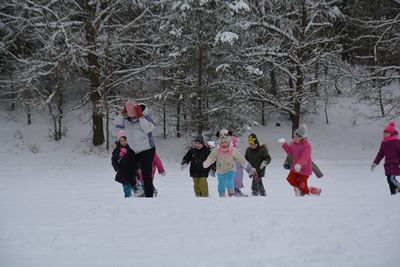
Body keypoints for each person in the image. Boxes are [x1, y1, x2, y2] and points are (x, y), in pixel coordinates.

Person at [114, 101, 156, 197]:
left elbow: (148, 129)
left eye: (133, 115)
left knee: (146, 173)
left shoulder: (145, 118)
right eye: (131, 115)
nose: (132, 118)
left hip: (147, 149)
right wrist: (122, 114)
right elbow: (117, 126)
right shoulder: (126, 119)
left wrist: (140, 117)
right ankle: (136, 187)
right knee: (126, 168)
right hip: (133, 149)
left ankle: (149, 195)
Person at [203, 131, 257, 197]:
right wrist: (207, 163)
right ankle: (221, 194)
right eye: (222, 142)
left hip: (230, 168)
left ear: (229, 142)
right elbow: (211, 157)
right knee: (221, 183)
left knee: (230, 180)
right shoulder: (217, 150)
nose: (224, 144)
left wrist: (250, 169)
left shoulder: (233, 150)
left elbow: (242, 159)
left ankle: (231, 192)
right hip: (220, 170)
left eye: (225, 142)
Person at [279, 124, 321, 196]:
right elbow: (290, 152)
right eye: (294, 137)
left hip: (304, 169)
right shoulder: (294, 144)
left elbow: (305, 157)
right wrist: (284, 144)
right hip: (295, 168)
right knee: (290, 179)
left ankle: (310, 192)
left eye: (297, 137)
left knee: (302, 185)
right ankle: (298, 189)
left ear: (302, 137)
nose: (294, 138)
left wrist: (300, 164)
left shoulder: (307, 146)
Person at [371, 121, 400, 195]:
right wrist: (375, 163)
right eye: (384, 133)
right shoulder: (384, 143)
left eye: (387, 133)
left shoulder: (397, 142)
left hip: (395, 163)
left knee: (391, 178)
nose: (385, 134)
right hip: (387, 164)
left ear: (392, 133)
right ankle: (393, 193)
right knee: (389, 180)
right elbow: (380, 154)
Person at [111, 130, 138, 198]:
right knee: (126, 185)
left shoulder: (131, 149)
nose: (123, 142)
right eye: (121, 140)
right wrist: (117, 168)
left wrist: (136, 168)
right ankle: (128, 197)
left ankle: (138, 195)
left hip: (131, 171)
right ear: (119, 141)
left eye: (125, 140)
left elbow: (136, 159)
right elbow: (114, 161)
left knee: (133, 184)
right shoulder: (116, 150)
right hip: (122, 171)